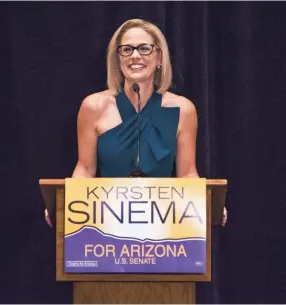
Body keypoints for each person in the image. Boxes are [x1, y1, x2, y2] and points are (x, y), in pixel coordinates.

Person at [45, 18, 227, 227]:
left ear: (159, 57)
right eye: (127, 50)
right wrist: (64, 201)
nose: (135, 56)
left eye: (144, 48)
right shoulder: (93, 106)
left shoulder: (183, 110)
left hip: (164, 226)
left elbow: (187, 173)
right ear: (118, 58)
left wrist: (206, 202)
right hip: (108, 222)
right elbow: (85, 168)